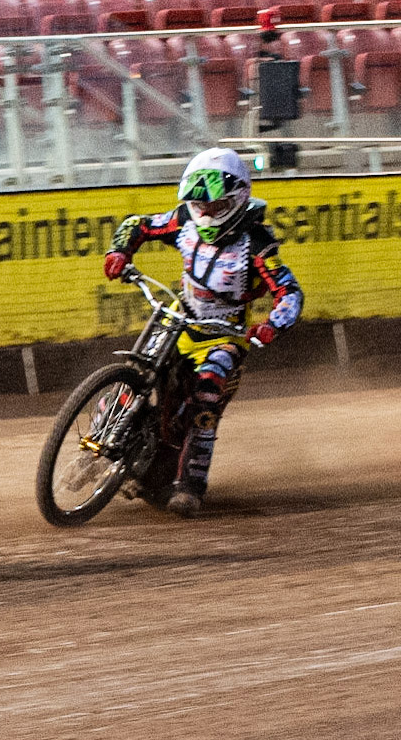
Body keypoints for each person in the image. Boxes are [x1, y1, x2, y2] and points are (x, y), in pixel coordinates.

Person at [103, 148, 302, 517]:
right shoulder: (183, 221)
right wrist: (119, 251)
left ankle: (191, 486)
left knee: (205, 398)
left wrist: (272, 325)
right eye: (199, 205)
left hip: (223, 336)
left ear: (236, 200)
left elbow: (289, 292)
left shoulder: (257, 245)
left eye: (214, 206)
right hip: (181, 317)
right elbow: (139, 224)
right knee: (141, 369)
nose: (205, 213)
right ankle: (108, 428)